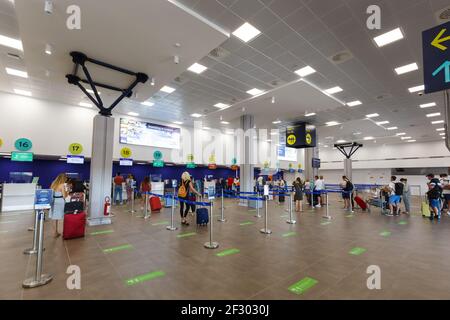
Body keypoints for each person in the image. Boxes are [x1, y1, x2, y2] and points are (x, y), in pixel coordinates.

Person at [49, 173, 68, 238]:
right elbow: (64, 196)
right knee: (62, 216)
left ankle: (55, 232)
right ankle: (65, 232)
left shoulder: (53, 184)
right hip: (60, 201)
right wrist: (67, 191)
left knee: (55, 217)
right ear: (63, 179)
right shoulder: (62, 185)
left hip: (54, 201)